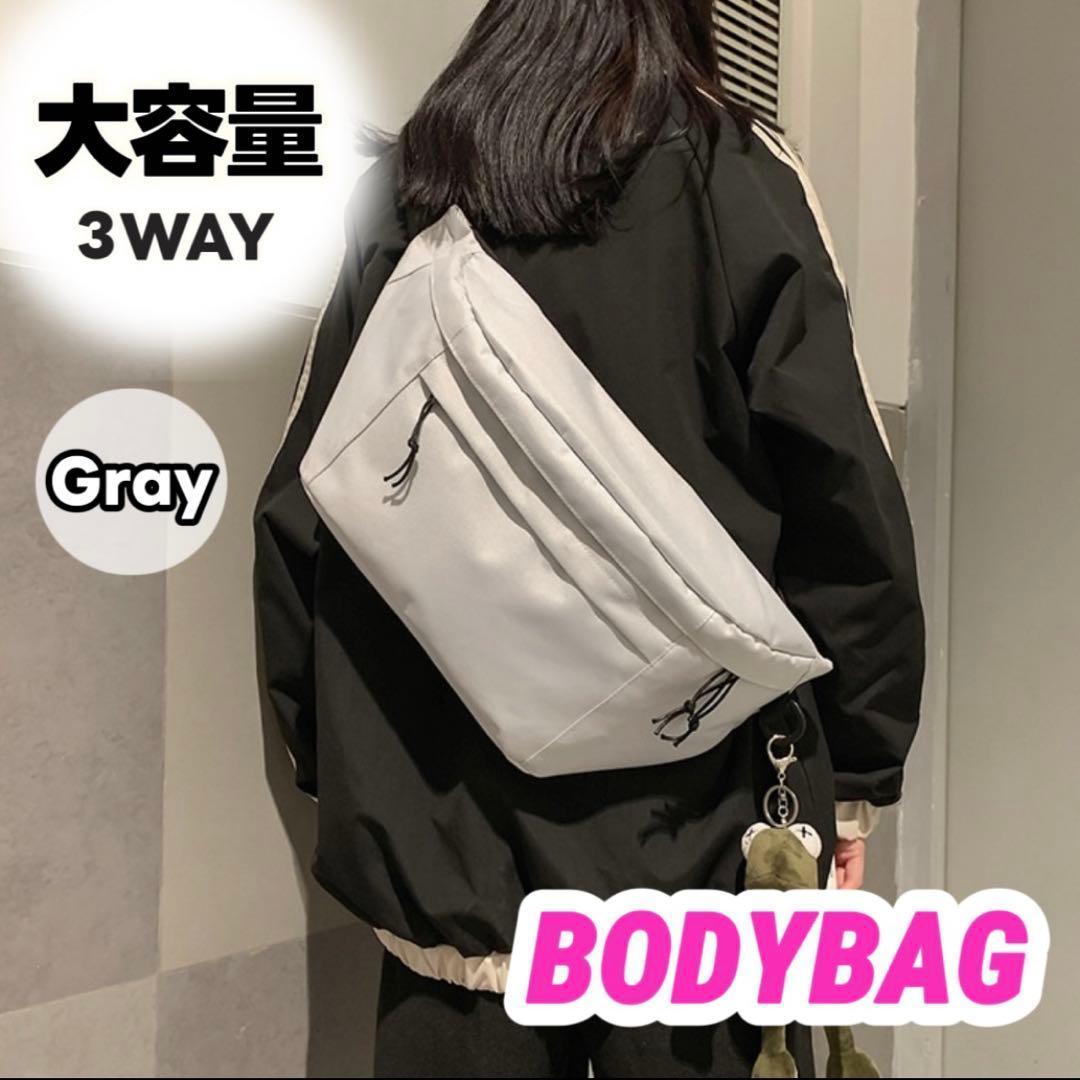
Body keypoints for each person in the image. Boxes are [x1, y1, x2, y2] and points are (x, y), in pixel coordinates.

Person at [253, 1, 925, 1075]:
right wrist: (854, 782)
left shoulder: (402, 195)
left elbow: (303, 511)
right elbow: (844, 512)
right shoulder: (734, 177)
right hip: (694, 857)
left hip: (450, 866)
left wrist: (344, 771)